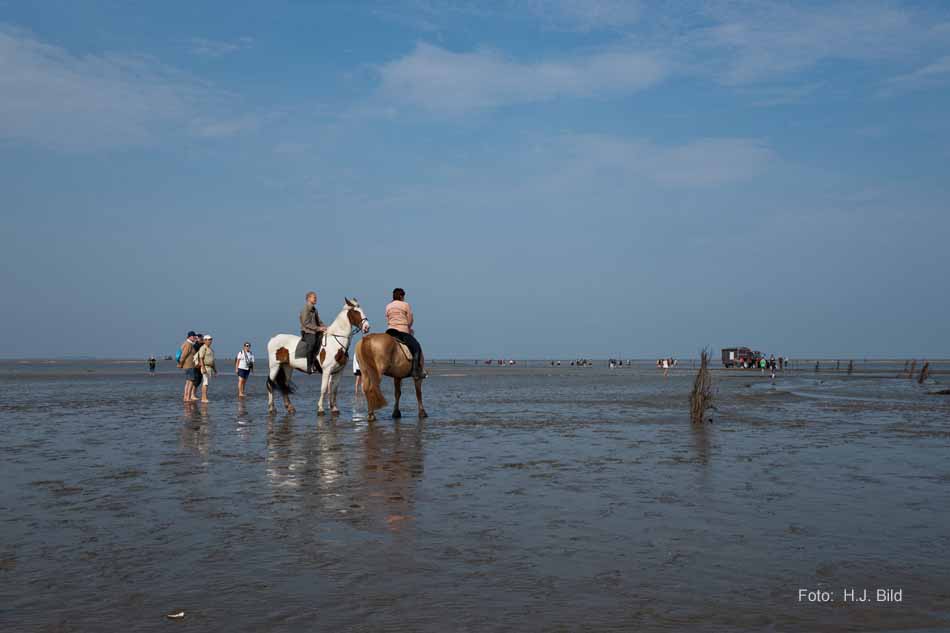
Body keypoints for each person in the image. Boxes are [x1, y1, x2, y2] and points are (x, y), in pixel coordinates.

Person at [385, 287, 423, 379]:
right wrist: (409, 328)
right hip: (402, 331)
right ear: (401, 296)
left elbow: (388, 318)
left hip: (389, 331)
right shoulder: (405, 305)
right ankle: (415, 371)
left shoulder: (388, 306)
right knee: (416, 347)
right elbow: (409, 319)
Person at [300, 291, 327, 374]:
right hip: (307, 331)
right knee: (312, 343)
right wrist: (318, 328)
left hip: (315, 331)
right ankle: (309, 366)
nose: (316, 299)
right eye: (314, 297)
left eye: (316, 297)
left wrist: (326, 327)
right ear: (308, 298)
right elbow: (305, 323)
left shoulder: (315, 310)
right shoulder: (305, 308)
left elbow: (319, 321)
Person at [177, 331, 199, 402]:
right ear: (190, 337)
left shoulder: (188, 343)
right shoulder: (188, 344)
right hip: (189, 366)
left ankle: (186, 397)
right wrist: (180, 364)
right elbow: (183, 355)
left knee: (188, 381)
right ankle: (187, 398)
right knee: (191, 381)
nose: (195, 337)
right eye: (194, 336)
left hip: (188, 366)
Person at [196, 334, 217, 403]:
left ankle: (204, 397)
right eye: (209, 340)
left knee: (206, 383)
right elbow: (201, 358)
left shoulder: (210, 349)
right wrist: (203, 368)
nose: (210, 341)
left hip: (210, 367)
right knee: (205, 383)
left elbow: (212, 360)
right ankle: (203, 398)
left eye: (211, 339)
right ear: (205, 340)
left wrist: (215, 369)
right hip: (205, 367)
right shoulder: (203, 348)